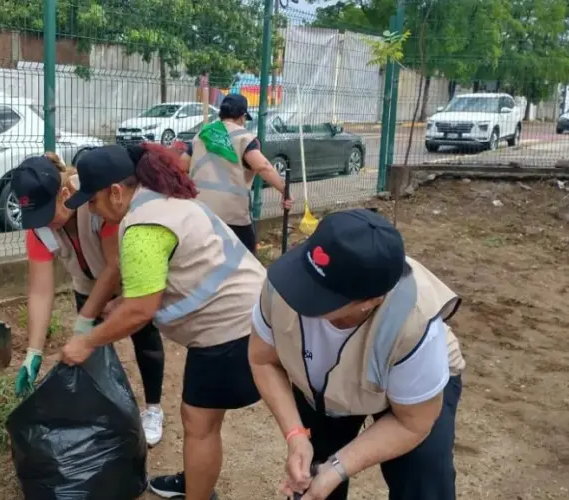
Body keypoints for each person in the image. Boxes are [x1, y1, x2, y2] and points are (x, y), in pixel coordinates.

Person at [59, 143, 266, 500]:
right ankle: (197, 480)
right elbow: (164, 279)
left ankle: (198, 492)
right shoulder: (161, 200)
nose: (92, 211)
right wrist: (122, 303)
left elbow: (140, 312)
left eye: (92, 202)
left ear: (116, 192)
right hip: (253, 313)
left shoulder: (142, 228)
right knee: (202, 419)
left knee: (198, 423)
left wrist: (86, 341)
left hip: (230, 328)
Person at [248, 209, 466, 500]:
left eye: (319, 295)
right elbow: (263, 359)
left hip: (406, 394)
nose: (297, 296)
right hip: (322, 384)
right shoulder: (283, 285)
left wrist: (339, 468)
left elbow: (412, 422)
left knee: (423, 481)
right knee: (312, 476)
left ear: (370, 302)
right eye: (305, 279)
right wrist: (295, 435)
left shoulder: (412, 325)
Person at [11, 152, 167, 446]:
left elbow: (114, 266)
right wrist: (33, 351)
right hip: (86, 283)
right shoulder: (40, 224)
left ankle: (153, 409)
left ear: (65, 194)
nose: (46, 224)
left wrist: (85, 322)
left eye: (48, 214)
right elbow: (40, 289)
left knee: (144, 339)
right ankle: (101, 413)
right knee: (90, 354)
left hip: (128, 277)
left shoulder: (97, 196)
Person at [177, 93, 292, 253]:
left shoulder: (202, 135)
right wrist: (284, 190)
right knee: (245, 259)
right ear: (242, 117)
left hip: (200, 210)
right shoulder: (244, 138)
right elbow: (263, 167)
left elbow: (182, 165)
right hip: (232, 214)